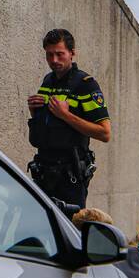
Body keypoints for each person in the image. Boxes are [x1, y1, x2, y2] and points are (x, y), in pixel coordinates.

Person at [26, 29, 111, 208]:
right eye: (49, 55)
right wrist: (35, 112)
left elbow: (104, 133)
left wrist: (65, 115)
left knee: (69, 232)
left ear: (72, 53)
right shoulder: (48, 81)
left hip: (70, 178)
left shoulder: (86, 85)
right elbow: (48, 126)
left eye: (60, 54)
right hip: (43, 173)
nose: (54, 60)